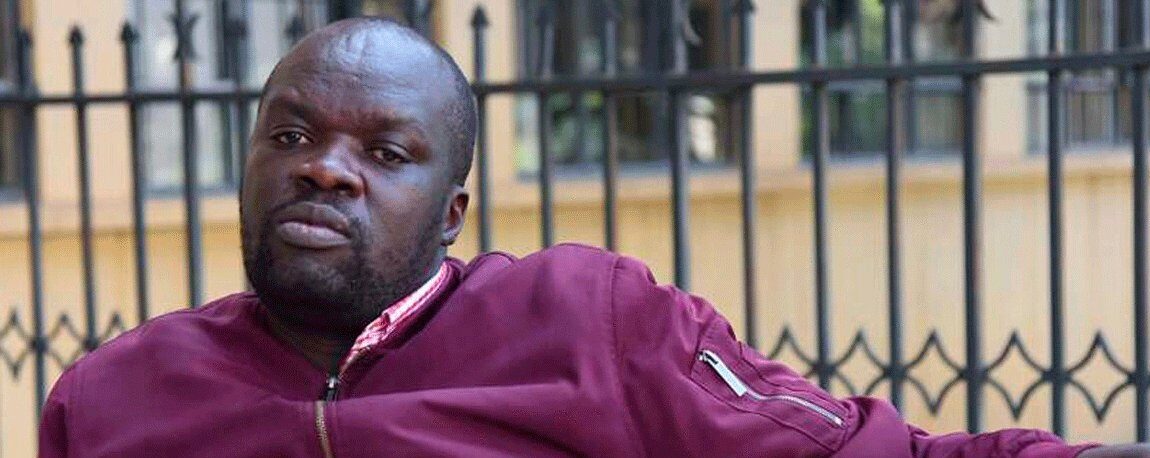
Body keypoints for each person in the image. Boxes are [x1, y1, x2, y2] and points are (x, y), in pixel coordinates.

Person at [36, 17, 1149, 458]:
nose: (325, 166)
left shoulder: (590, 322)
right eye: (292, 134)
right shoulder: (110, 399)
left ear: (452, 212)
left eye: (385, 150)